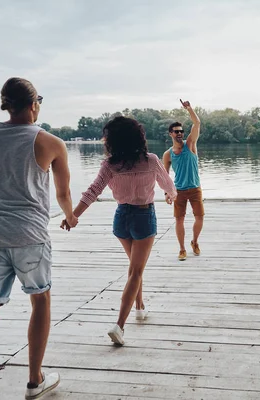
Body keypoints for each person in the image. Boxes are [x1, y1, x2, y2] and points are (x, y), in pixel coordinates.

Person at [0, 77, 76, 400]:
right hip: (29, 235)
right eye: (38, 100)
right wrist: (70, 216)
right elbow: (63, 193)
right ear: (32, 105)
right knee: (40, 298)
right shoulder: (50, 143)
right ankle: (34, 381)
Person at [67, 116, 176, 346]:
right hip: (144, 217)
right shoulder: (151, 160)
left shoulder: (110, 164)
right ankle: (119, 325)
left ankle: (140, 307)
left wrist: (74, 215)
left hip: (121, 219)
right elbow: (169, 186)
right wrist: (170, 196)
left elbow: (93, 191)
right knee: (136, 271)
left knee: (134, 268)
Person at [162, 99, 203, 261]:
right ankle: (182, 249)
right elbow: (164, 175)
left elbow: (197, 123)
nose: (179, 133)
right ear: (170, 134)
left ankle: (195, 242)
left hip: (194, 188)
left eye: (181, 131)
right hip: (178, 190)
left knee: (199, 217)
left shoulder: (191, 144)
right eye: (176, 131)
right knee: (179, 219)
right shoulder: (168, 154)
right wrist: (167, 192)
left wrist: (189, 108)